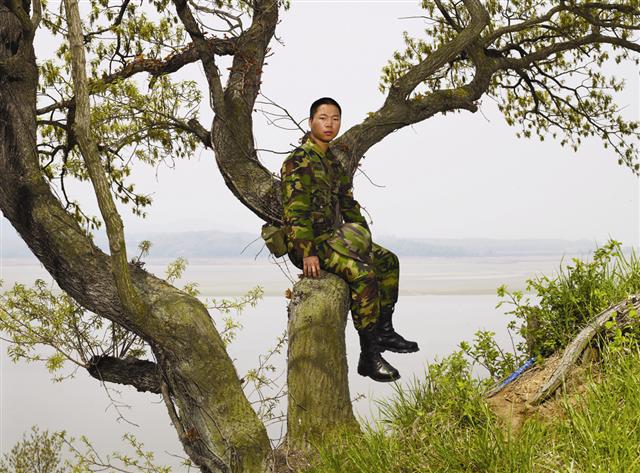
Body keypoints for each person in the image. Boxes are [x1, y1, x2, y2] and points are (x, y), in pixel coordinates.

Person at [280, 97, 419, 383]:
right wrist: (307, 253)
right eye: (323, 118)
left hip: (336, 239)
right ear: (311, 122)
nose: (329, 124)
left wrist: (363, 237)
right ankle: (368, 356)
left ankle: (384, 331)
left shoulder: (332, 162)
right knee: (364, 275)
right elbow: (296, 212)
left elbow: (348, 203)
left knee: (387, 261)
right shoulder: (298, 160)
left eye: (334, 119)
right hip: (311, 245)